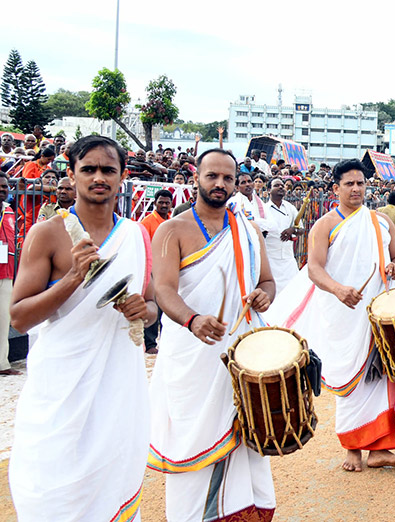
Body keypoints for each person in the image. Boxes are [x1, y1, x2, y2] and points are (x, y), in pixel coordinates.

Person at [8, 136, 153, 520]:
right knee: (53, 488)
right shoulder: (49, 233)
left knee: (113, 475)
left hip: (119, 382)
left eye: (108, 170)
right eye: (88, 169)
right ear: (71, 174)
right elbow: (20, 317)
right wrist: (74, 276)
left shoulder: (137, 235)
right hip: (62, 383)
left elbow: (151, 304)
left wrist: (145, 310)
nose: (98, 177)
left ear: (123, 178)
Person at [147, 148, 277, 519]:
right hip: (193, 359)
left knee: (246, 441)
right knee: (195, 441)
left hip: (242, 353)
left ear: (236, 183)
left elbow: (267, 280)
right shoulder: (173, 230)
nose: (220, 184)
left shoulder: (248, 231)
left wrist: (264, 295)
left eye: (227, 178)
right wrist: (192, 319)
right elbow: (163, 290)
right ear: (196, 179)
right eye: (212, 176)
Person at [267, 159, 395, 473]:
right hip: (341, 311)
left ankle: (382, 448)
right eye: (349, 184)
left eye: (361, 183)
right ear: (336, 188)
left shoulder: (381, 222)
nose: (356, 188)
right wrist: (339, 289)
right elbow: (314, 269)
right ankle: (353, 449)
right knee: (350, 376)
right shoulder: (326, 224)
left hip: (378, 310)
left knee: (383, 373)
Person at [139, 189, 174, 354]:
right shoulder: (148, 222)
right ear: (155, 203)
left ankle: (165, 340)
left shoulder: (171, 221)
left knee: (168, 305)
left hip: (168, 269)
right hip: (152, 270)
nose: (164, 205)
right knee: (154, 306)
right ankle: (150, 343)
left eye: (167, 203)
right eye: (161, 202)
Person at [260, 178, 301, 290]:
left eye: (282, 185)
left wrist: (292, 230)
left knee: (292, 292)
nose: (281, 187)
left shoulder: (290, 208)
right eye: (276, 185)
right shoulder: (263, 209)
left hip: (288, 259)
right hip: (270, 259)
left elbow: (301, 230)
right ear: (269, 190)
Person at [0, 175, 15, 375]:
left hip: (6, 271)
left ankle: (2, 364)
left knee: (4, 319)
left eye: (4, 186)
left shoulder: (9, 210)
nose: (2, 189)